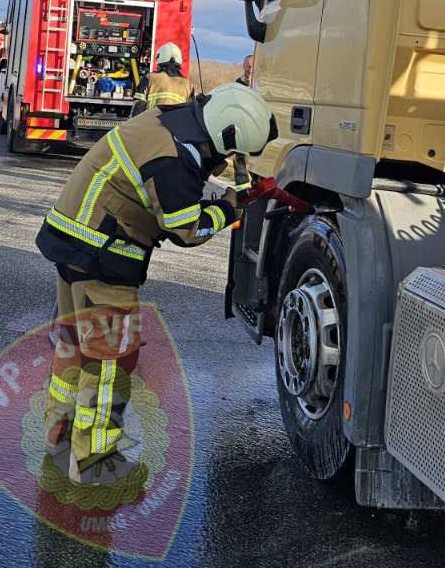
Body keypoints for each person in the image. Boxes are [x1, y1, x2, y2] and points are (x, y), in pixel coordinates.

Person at [36, 83, 276, 488]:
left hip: (71, 240)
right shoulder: (172, 161)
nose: (230, 160)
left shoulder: (168, 119)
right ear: (225, 136)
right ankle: (93, 461)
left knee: (74, 346)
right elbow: (186, 227)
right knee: (110, 364)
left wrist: (216, 172)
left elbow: (186, 165)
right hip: (103, 257)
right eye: (232, 152)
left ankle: (58, 435)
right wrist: (232, 206)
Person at [141, 41, 192, 109]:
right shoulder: (188, 85)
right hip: (176, 119)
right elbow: (191, 111)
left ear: (160, 57)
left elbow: (138, 105)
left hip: (152, 119)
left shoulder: (150, 78)